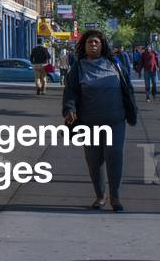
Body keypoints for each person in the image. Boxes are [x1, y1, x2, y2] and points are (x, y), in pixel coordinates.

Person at [63, 29, 137, 212]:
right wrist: (69, 109)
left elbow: (128, 89)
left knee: (114, 156)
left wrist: (131, 111)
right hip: (89, 122)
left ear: (102, 45)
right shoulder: (78, 68)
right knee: (94, 160)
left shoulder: (114, 65)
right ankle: (100, 196)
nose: (93, 45)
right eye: (90, 42)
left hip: (115, 120)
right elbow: (70, 92)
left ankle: (115, 197)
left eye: (96, 42)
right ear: (84, 46)